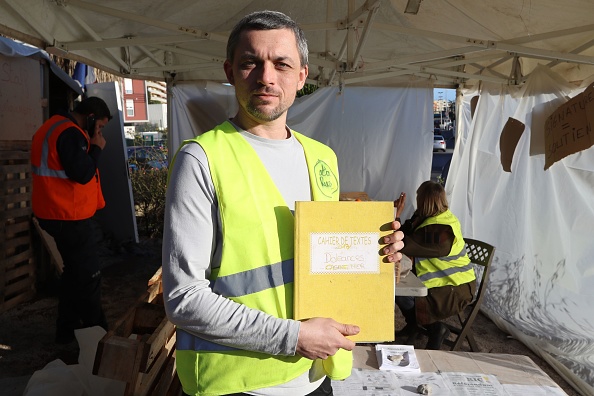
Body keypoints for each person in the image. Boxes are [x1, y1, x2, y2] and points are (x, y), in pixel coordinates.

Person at [162, 10, 404, 396]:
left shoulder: (322, 158)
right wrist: (293, 337)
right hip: (239, 386)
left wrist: (377, 257)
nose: (266, 76)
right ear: (230, 71)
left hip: (317, 379)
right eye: (250, 63)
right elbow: (183, 299)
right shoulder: (201, 160)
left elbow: (323, 266)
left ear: (302, 76)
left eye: (281, 64)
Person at [30, 96, 112, 344]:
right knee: (89, 277)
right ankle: (98, 339)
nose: (99, 132)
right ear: (89, 118)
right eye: (99, 126)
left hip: (55, 213)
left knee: (74, 274)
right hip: (69, 217)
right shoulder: (70, 133)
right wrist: (96, 147)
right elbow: (83, 173)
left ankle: (65, 333)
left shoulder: (51, 127)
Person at [393, 181, 476, 350]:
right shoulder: (427, 217)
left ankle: (435, 328)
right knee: (398, 288)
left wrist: (396, 214)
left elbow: (404, 242)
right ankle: (414, 324)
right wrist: (395, 215)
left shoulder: (442, 231)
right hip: (443, 284)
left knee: (400, 293)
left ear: (424, 200)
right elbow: (405, 231)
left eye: (418, 197)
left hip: (454, 289)